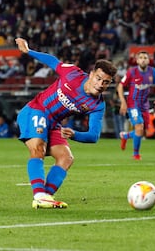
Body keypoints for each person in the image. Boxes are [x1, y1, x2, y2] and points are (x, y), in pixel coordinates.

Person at [15, 37, 117, 209]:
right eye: (98, 78)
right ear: (91, 74)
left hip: (54, 124)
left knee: (66, 157)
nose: (100, 85)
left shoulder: (97, 105)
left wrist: (75, 134)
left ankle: (46, 196)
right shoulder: (72, 74)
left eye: (105, 82)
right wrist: (28, 51)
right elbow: (53, 61)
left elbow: (94, 136)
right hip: (36, 109)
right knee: (38, 148)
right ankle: (39, 196)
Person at [117, 51, 155, 160]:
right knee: (139, 127)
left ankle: (125, 136)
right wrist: (123, 102)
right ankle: (136, 154)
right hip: (133, 104)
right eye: (140, 58)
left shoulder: (152, 71)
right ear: (137, 60)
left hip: (145, 104)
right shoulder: (131, 72)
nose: (143, 59)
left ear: (148, 60)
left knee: (143, 131)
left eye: (145, 58)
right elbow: (120, 86)